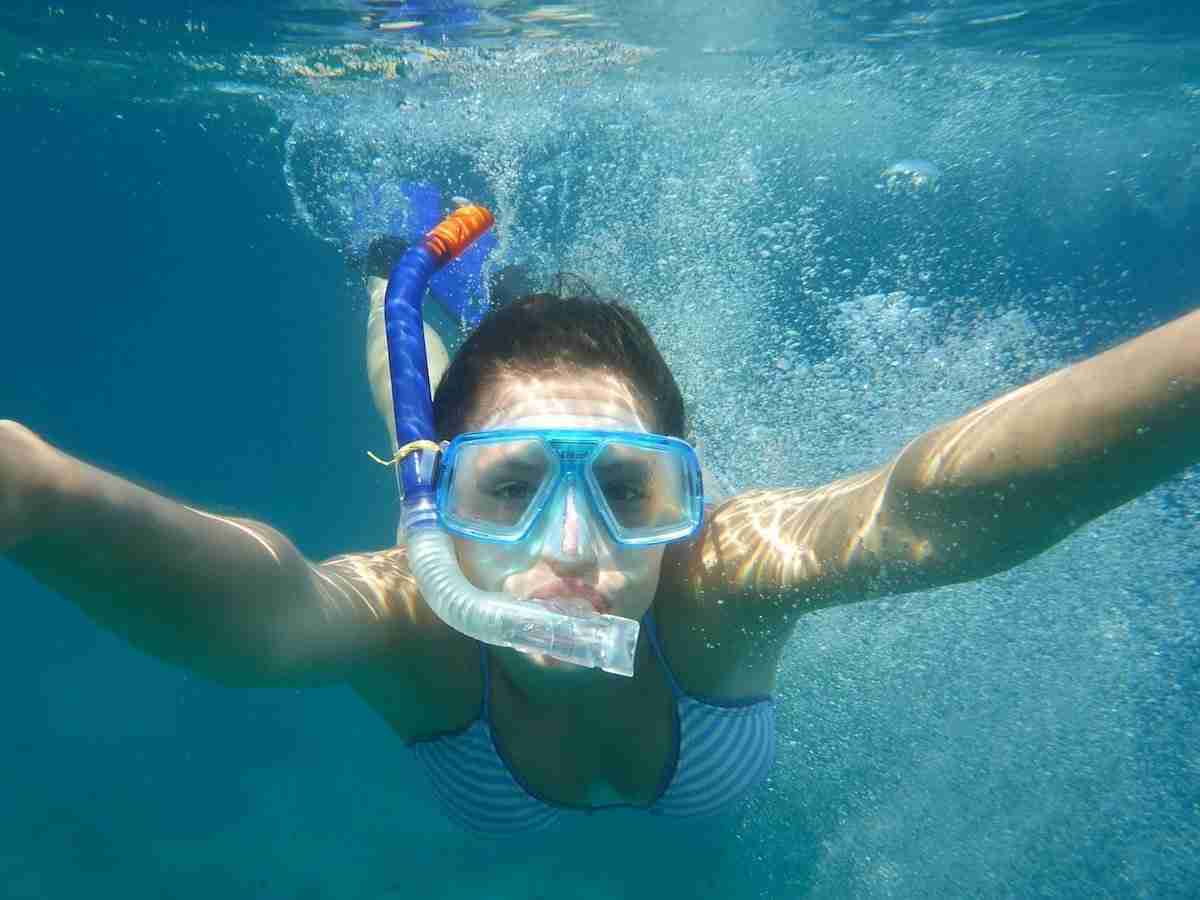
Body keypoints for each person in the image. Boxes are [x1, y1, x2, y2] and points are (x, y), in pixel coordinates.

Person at [1, 202, 1197, 837]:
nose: (571, 553)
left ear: (683, 500)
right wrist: (35, 495)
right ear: (439, 508)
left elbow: (922, 510)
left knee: (476, 414)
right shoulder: (416, 614)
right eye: (509, 493)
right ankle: (394, 277)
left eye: (628, 493)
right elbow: (264, 610)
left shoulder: (717, 581)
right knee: (409, 387)